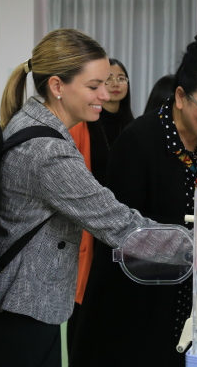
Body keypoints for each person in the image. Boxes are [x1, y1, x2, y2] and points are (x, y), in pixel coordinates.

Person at [0, 29, 197, 367]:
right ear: (57, 86)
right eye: (94, 86)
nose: (107, 94)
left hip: (24, 305)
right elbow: (126, 230)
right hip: (24, 308)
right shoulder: (50, 152)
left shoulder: (37, 127)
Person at [70, 37, 197, 367]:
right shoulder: (138, 142)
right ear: (181, 97)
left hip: (186, 294)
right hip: (134, 305)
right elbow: (132, 239)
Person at [66, 58, 135, 352]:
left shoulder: (135, 126)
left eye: (122, 78)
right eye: (108, 79)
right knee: (86, 297)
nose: (115, 84)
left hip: (126, 220)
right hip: (92, 221)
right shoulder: (83, 125)